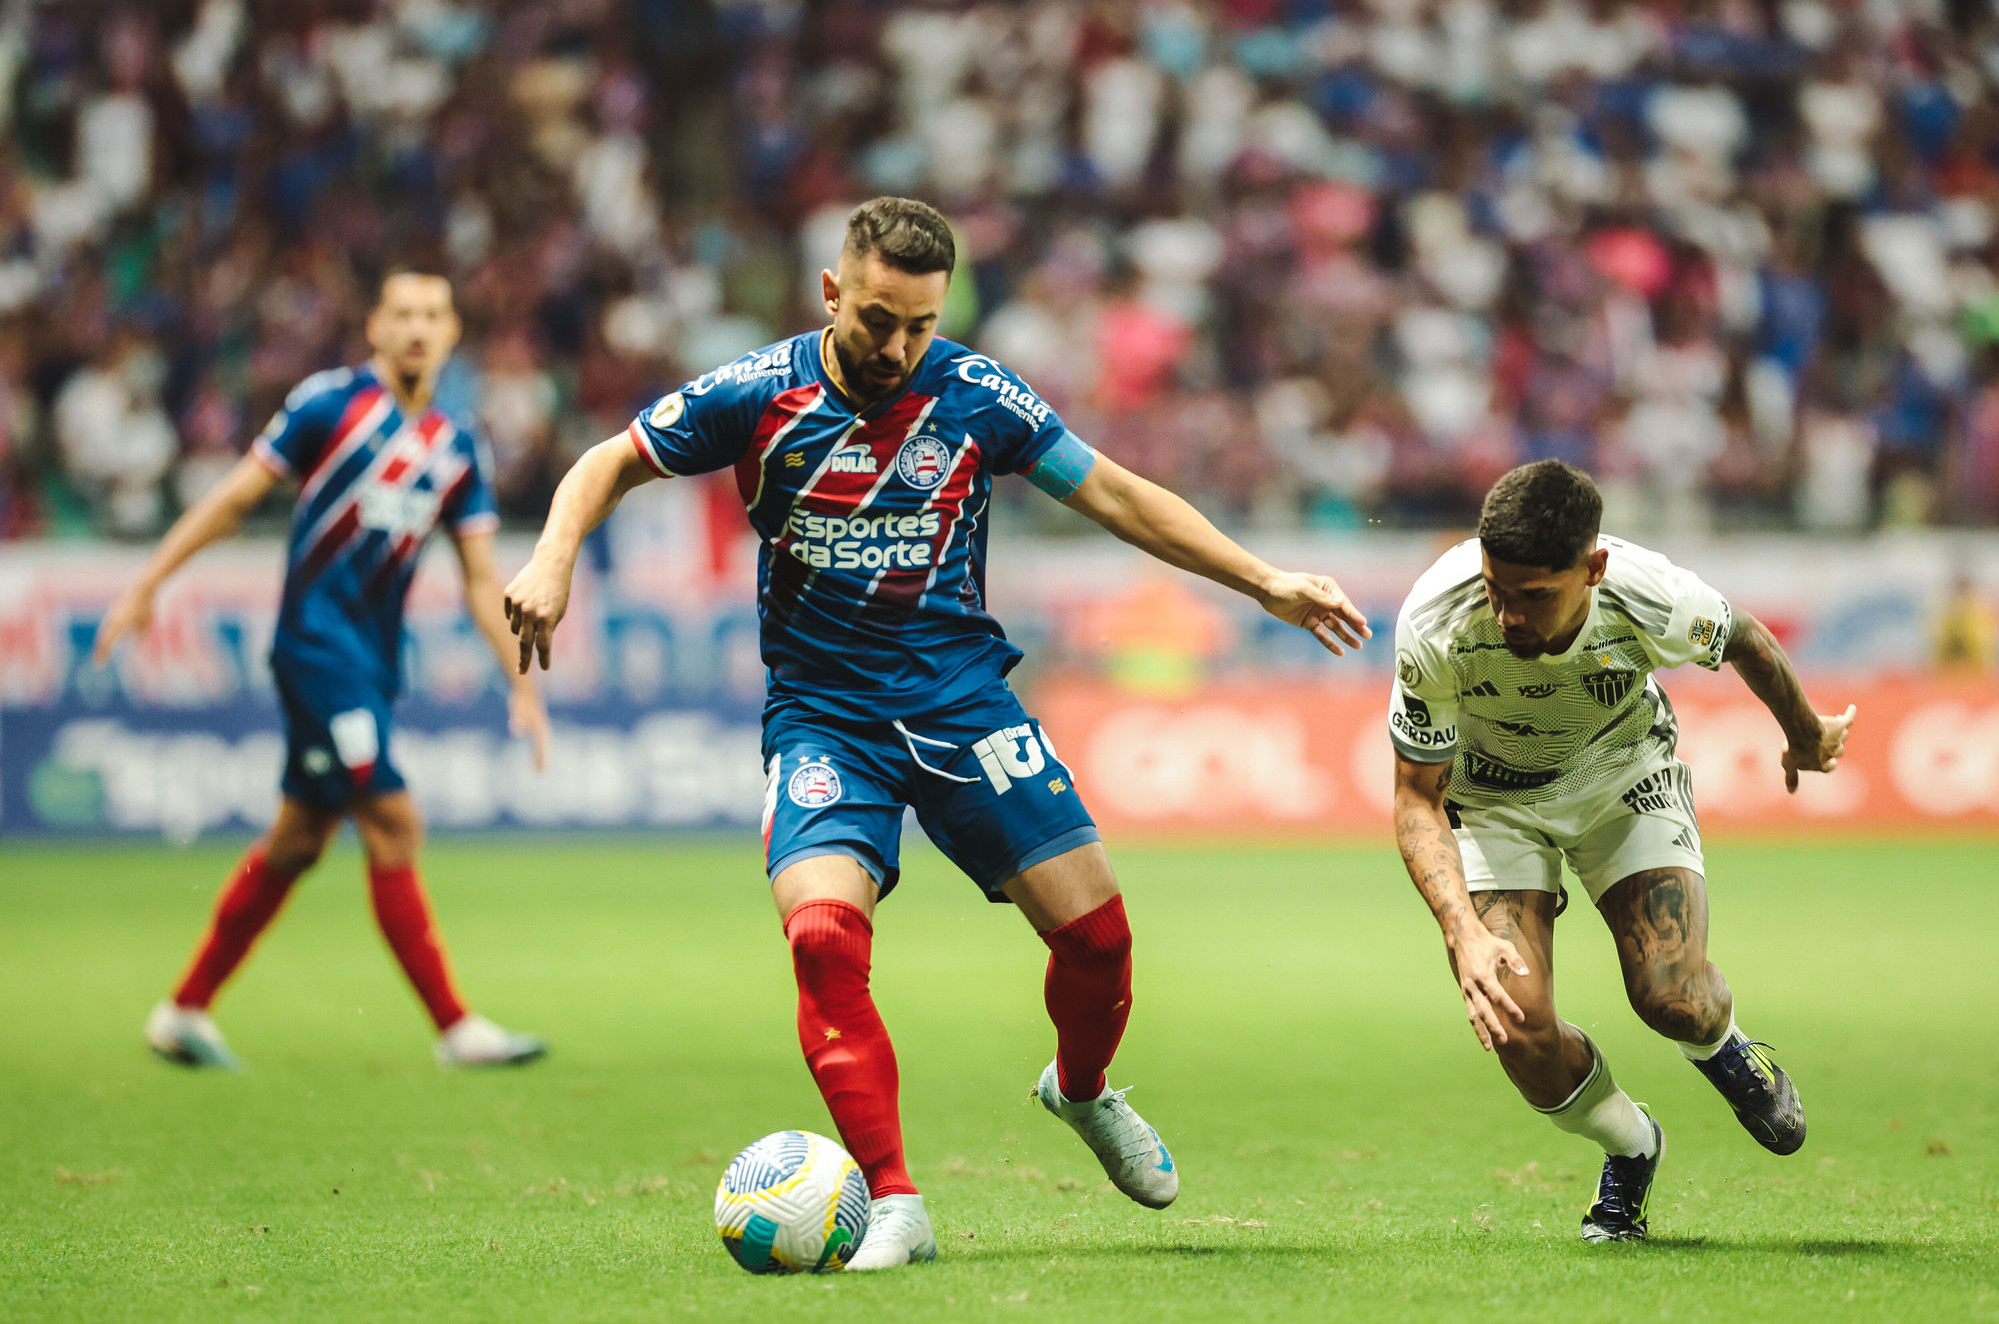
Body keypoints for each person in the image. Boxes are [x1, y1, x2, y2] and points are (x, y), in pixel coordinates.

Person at [503, 197, 1369, 1269]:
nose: (897, 346)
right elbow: (606, 461)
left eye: (918, 323)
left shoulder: (970, 394)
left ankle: (1083, 1091)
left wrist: (1262, 579)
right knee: (822, 940)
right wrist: (551, 559)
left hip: (962, 701)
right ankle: (895, 1198)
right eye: (876, 321)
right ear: (832, 293)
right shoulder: (755, 393)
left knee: (1097, 944)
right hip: (823, 715)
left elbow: (1109, 492)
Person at [94, 270, 553, 1071]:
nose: (417, 328)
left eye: (433, 315)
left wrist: (520, 678)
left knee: (299, 840)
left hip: (372, 664)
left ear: (452, 333)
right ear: (374, 326)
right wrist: (147, 582)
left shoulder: (455, 444)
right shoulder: (328, 405)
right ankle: (456, 1027)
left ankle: (183, 1009)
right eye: (402, 313)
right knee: (394, 819)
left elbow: (481, 576)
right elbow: (236, 498)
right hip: (313, 648)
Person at [1387, 459, 1854, 1243]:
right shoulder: (1438, 620)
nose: (1506, 616)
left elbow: (1745, 637)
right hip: (1494, 803)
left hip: (1621, 777)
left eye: (1533, 596)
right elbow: (1415, 798)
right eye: (1497, 589)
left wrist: (1805, 733)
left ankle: (1725, 1046)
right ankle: (1632, 1145)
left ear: (1592, 567)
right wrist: (1462, 928)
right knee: (1518, 1028)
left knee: (1671, 996)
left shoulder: (1648, 593)